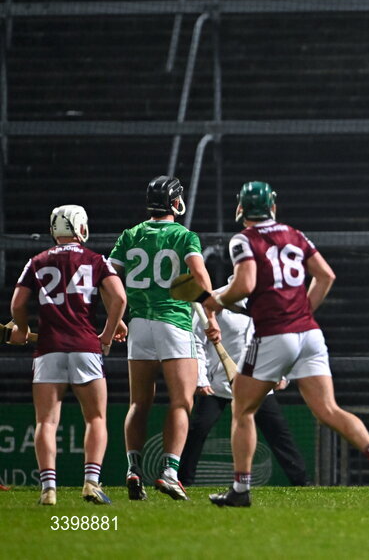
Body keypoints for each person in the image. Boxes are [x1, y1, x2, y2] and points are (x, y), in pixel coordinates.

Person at [204, 182, 369, 507]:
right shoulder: (295, 234)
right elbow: (326, 276)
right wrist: (303, 311)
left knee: (242, 408)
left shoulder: (244, 239)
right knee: (328, 410)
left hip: (272, 334)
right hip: (309, 333)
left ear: (241, 209)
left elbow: (245, 284)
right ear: (273, 207)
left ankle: (240, 490)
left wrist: (216, 301)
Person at [110, 175, 220, 501]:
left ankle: (133, 469)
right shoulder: (185, 236)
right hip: (173, 322)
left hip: (140, 324)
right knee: (182, 402)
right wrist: (211, 313)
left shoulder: (130, 235)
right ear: (175, 202)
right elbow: (199, 276)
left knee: (138, 403)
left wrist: (116, 319)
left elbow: (108, 279)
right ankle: (170, 472)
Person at [10, 205, 127, 505]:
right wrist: (108, 332)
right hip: (86, 348)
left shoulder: (36, 261)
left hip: (48, 348)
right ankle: (90, 483)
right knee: (96, 418)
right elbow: (120, 298)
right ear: (81, 227)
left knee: (46, 422)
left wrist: (22, 328)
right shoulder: (95, 260)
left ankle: (48, 489)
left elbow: (18, 303)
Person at [179, 286, 308, 487]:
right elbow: (197, 341)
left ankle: (302, 483)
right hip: (218, 385)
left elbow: (279, 339)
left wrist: (282, 374)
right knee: (198, 429)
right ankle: (182, 482)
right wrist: (200, 378)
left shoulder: (269, 300)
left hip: (258, 383)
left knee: (279, 433)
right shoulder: (215, 300)